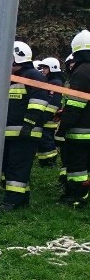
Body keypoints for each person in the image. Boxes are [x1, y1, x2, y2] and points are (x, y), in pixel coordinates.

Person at [0, 41, 49, 210]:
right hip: (11, 133)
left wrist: (28, 125)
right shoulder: (12, 78)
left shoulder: (34, 76)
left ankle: (12, 201)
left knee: (17, 168)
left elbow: (39, 102)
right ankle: (21, 199)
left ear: (17, 59)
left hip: (26, 132)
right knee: (12, 167)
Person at [56, 29, 90, 207]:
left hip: (80, 132)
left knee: (78, 167)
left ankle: (75, 196)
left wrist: (62, 129)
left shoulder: (82, 72)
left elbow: (76, 105)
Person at [35, 57, 64, 167]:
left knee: (46, 140)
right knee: (46, 139)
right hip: (49, 117)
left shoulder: (54, 83)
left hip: (49, 118)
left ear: (52, 68)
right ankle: (46, 161)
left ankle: (49, 162)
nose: (43, 70)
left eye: (45, 68)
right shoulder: (52, 81)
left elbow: (53, 102)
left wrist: (44, 116)